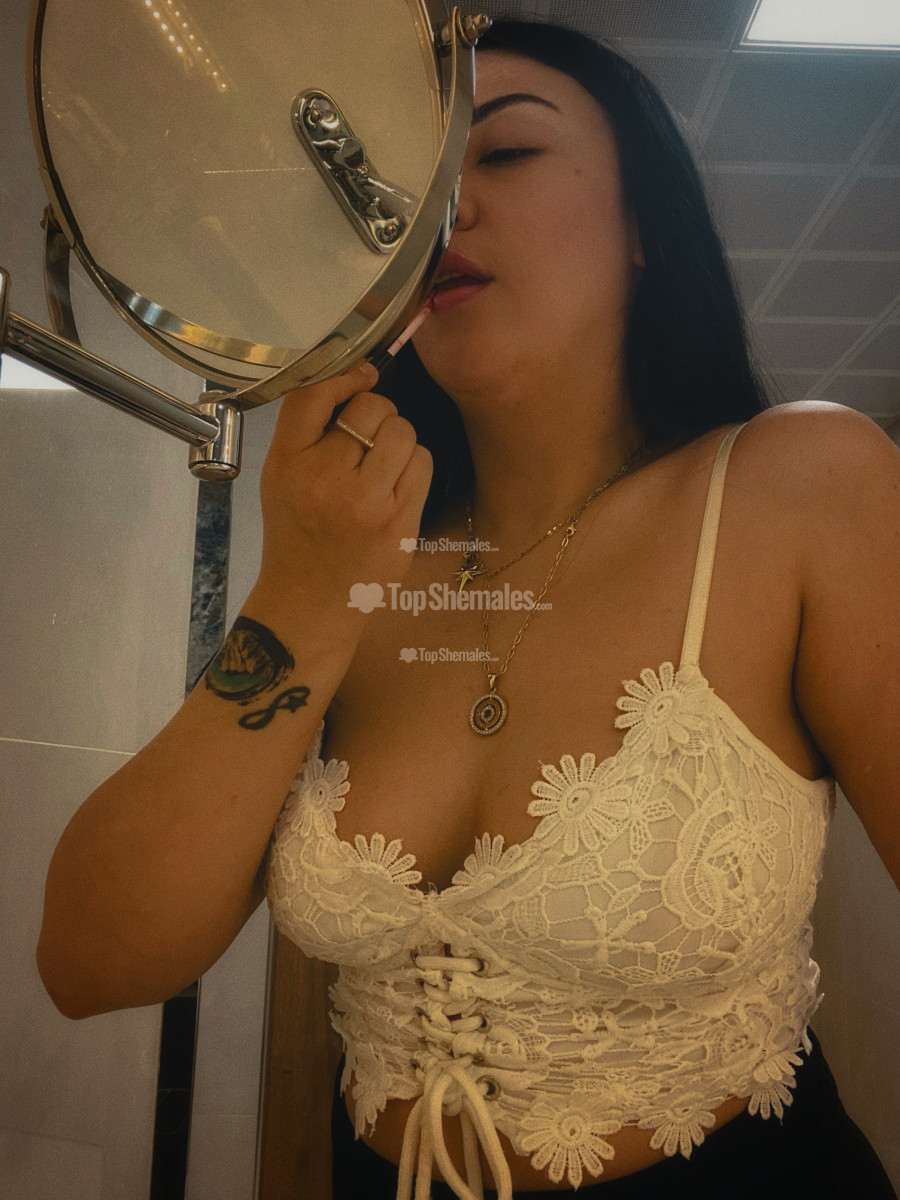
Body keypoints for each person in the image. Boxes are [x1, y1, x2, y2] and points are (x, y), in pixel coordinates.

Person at [37, 19, 898, 1200]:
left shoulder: (798, 483)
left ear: (643, 224)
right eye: (411, 181)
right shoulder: (354, 563)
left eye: (504, 154)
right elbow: (88, 962)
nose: (435, 211)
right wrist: (302, 596)